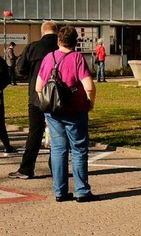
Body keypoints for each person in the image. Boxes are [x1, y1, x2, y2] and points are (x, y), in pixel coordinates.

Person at [35, 25, 98, 202]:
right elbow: (89, 86)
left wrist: (46, 102)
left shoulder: (49, 57)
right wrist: (90, 102)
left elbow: (38, 87)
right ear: (75, 42)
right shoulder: (77, 58)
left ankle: (60, 191)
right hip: (75, 109)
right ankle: (82, 191)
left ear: (58, 40)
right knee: (78, 149)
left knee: (58, 150)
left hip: (53, 111)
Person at [9, 21, 58, 179]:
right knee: (57, 134)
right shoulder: (61, 48)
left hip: (36, 96)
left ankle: (27, 168)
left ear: (42, 32)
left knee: (35, 133)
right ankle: (56, 167)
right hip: (57, 98)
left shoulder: (33, 47)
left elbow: (21, 69)